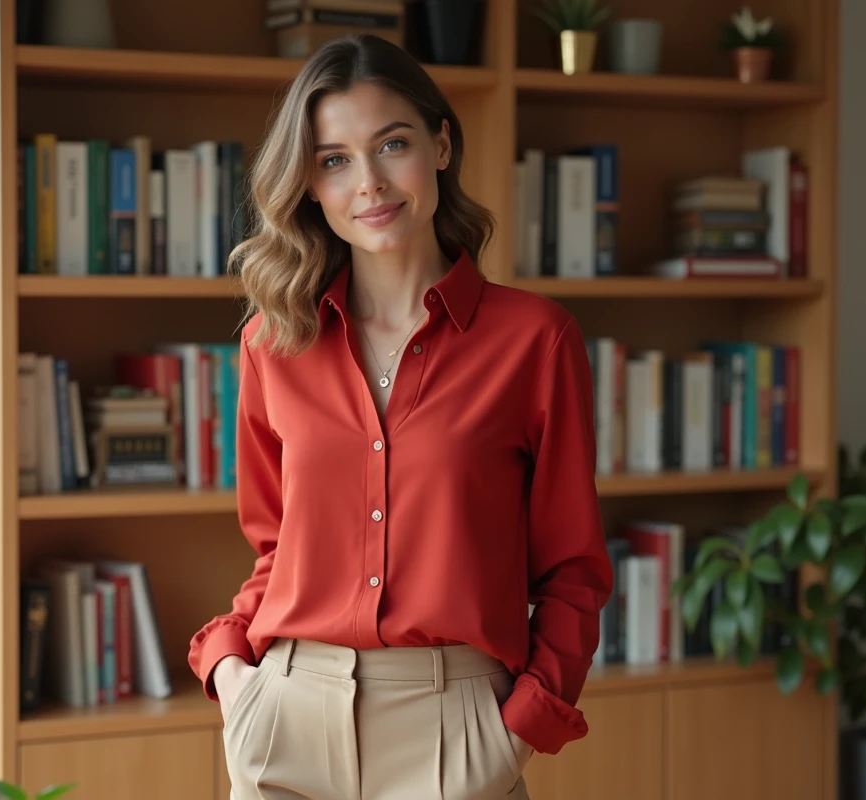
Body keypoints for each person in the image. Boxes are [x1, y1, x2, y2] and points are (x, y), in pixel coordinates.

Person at [187, 33, 614, 800]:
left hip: (458, 732)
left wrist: (520, 727)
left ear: (441, 144)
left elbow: (573, 570)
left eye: (392, 144)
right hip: (286, 715)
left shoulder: (534, 340)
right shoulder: (272, 342)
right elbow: (274, 546)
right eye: (335, 159)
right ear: (309, 184)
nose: (370, 183)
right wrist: (231, 674)